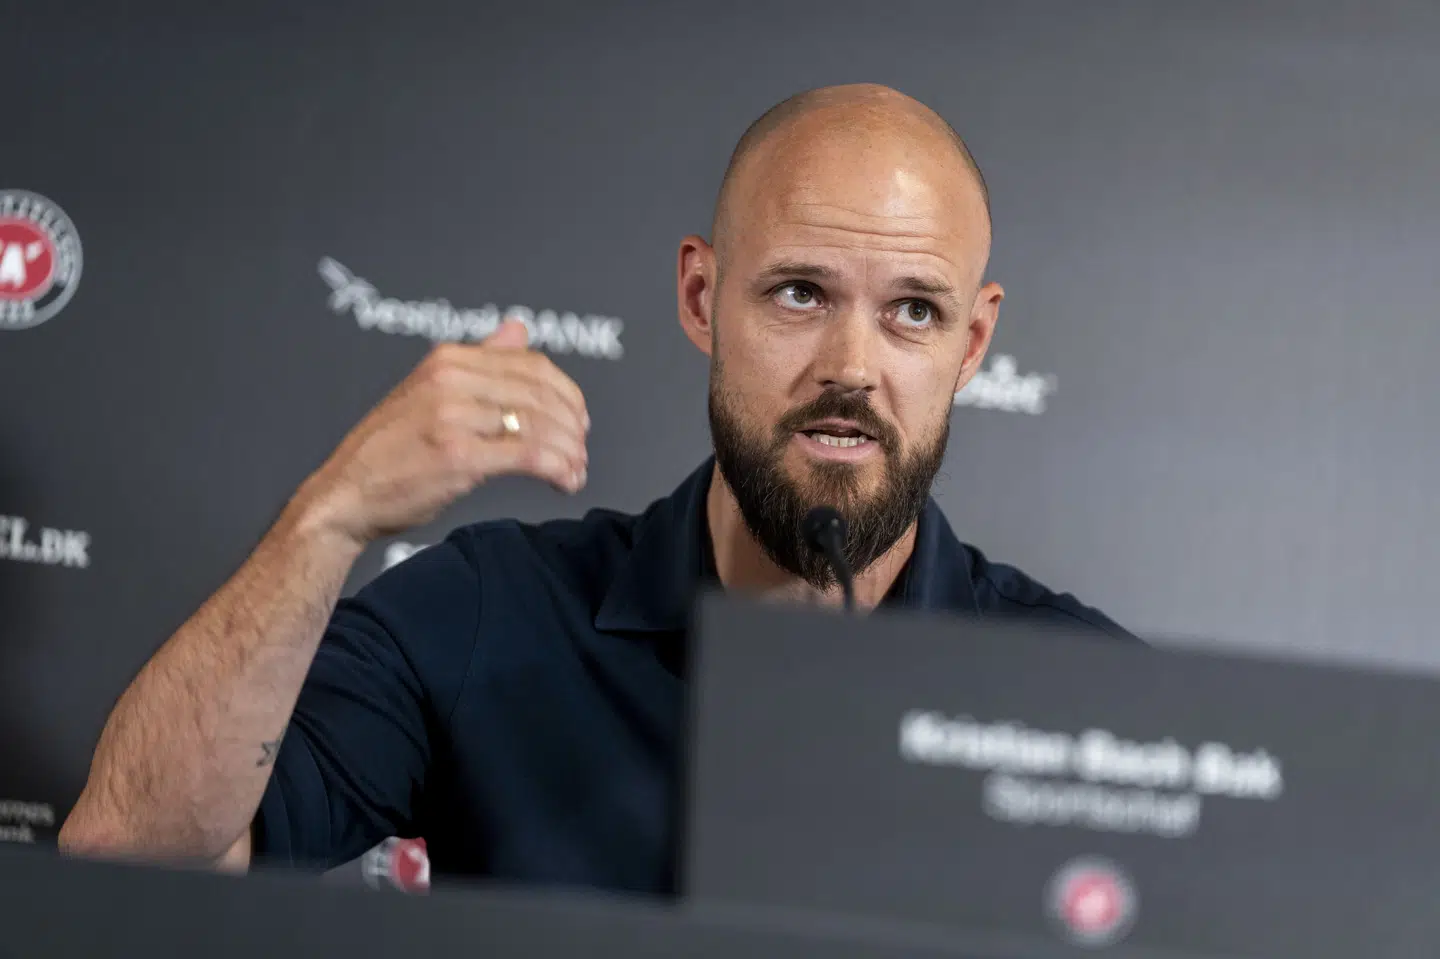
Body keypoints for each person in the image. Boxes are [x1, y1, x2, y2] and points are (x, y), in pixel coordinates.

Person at [59, 84, 1133, 895]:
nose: (851, 366)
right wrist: (330, 517)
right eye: (801, 293)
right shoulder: (493, 608)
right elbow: (129, 856)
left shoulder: (1083, 698)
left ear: (973, 342)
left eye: (913, 311)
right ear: (701, 296)